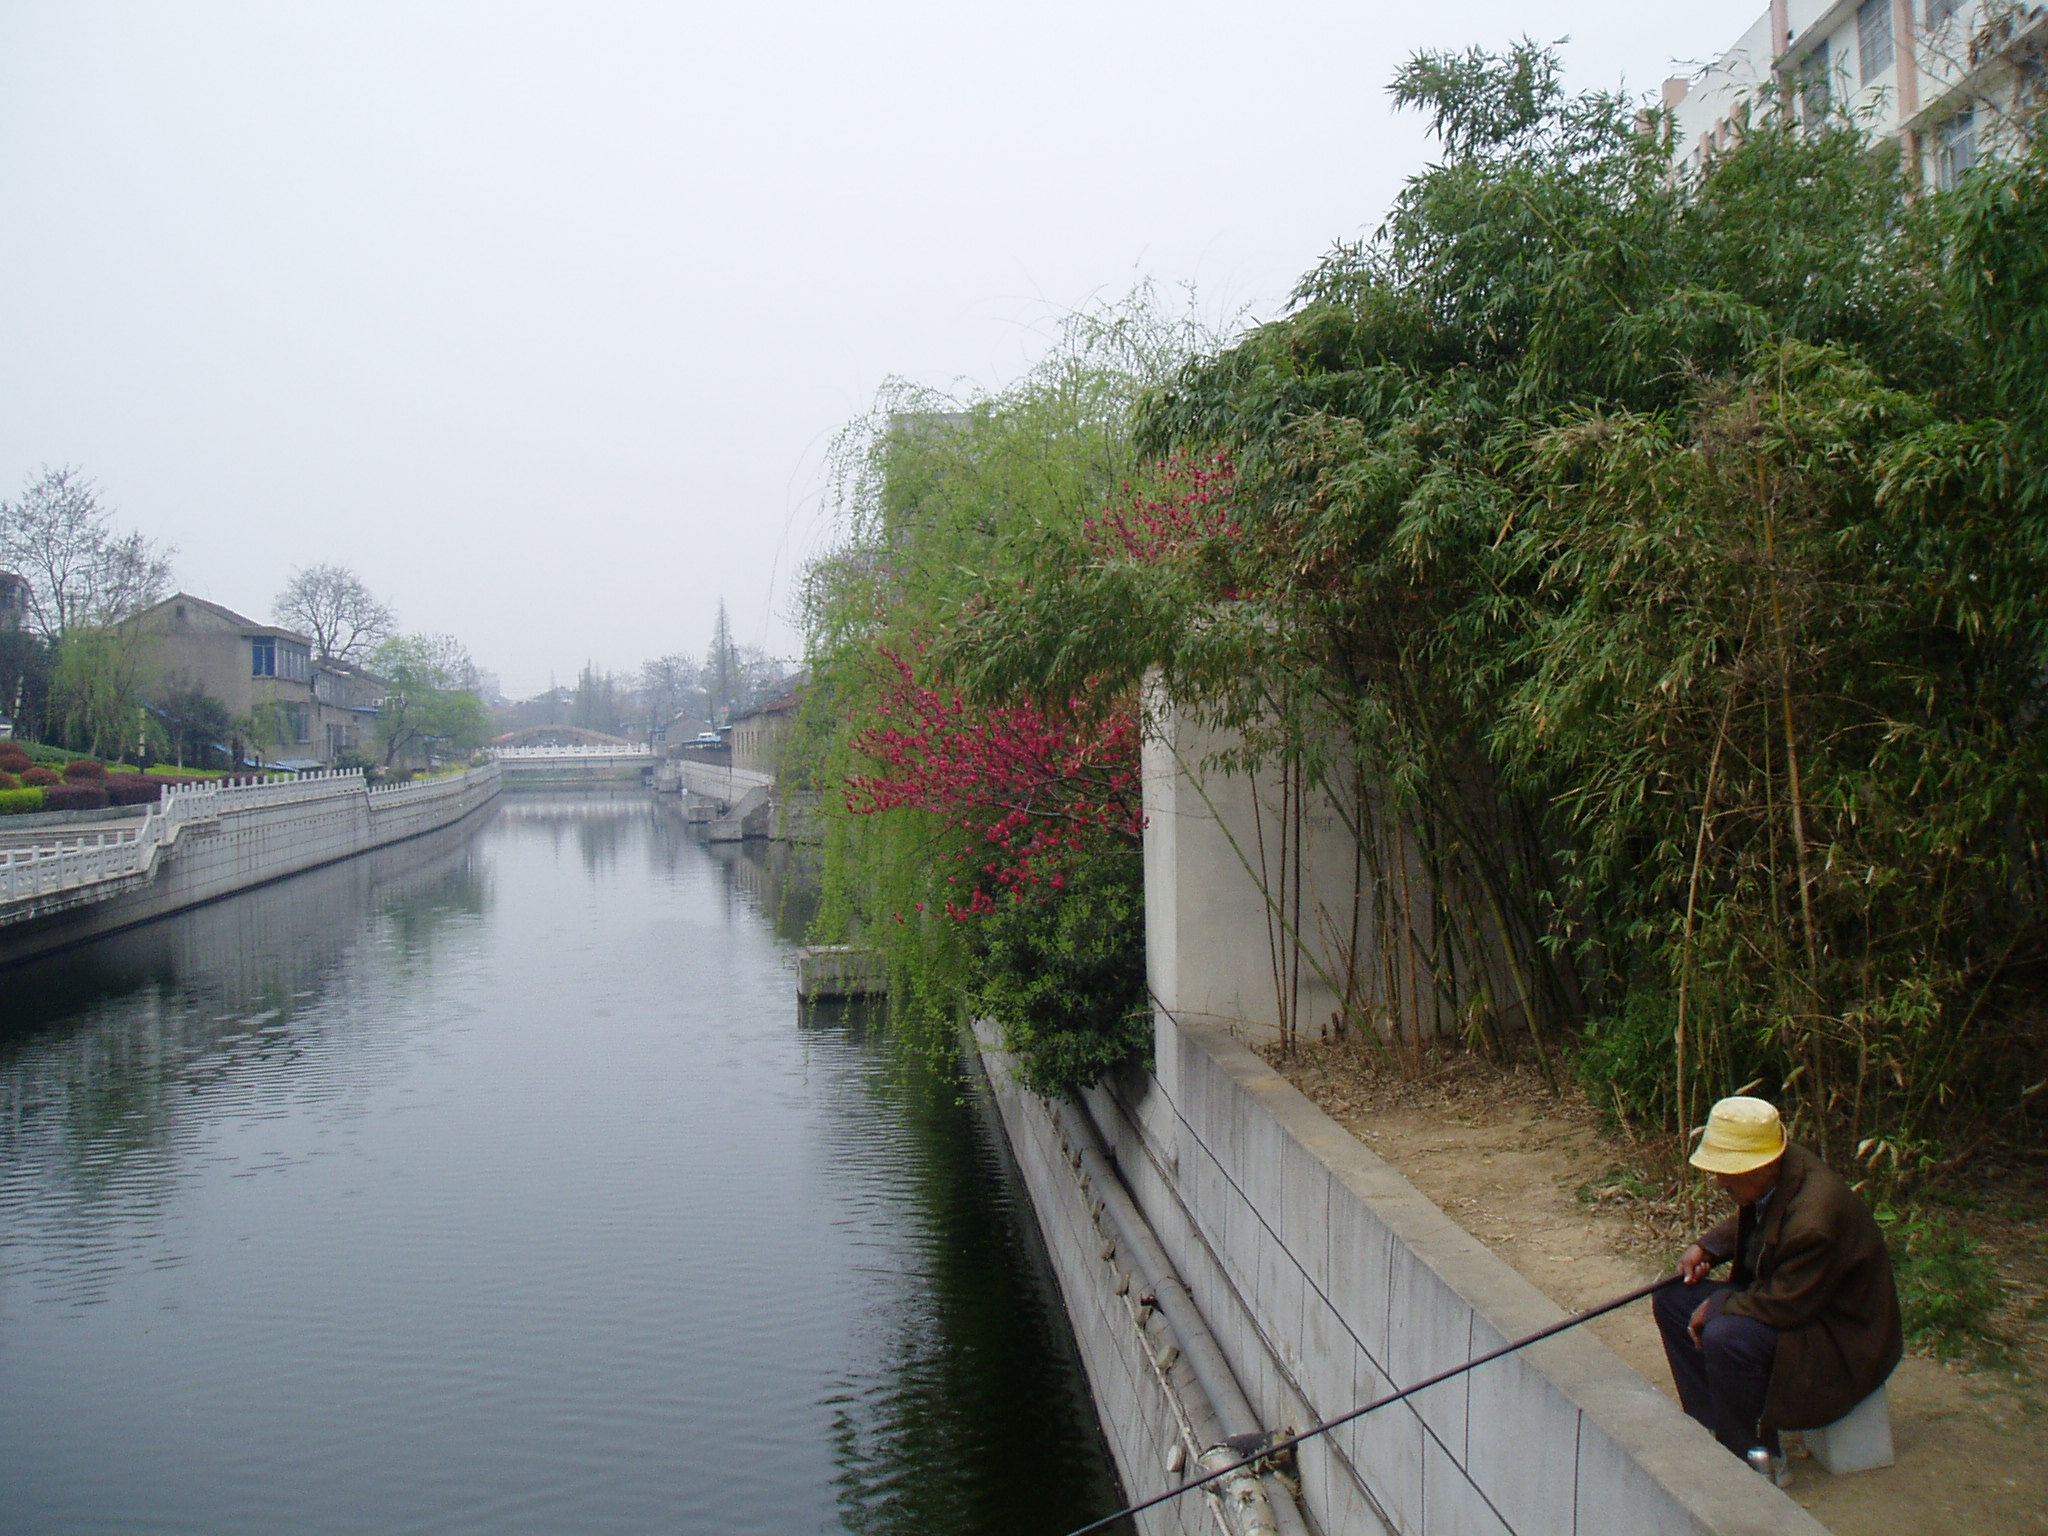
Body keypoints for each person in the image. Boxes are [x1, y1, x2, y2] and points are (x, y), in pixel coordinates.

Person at [1654, 1096, 1902, 1477]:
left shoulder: (1814, 1219)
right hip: (1800, 1301)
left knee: (1726, 1334)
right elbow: (1760, 1213)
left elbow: (1787, 1305)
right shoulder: (1783, 1168)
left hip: (1838, 1336)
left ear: (1764, 1165)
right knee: (1673, 1299)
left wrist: (1719, 1306)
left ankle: (1757, 1456)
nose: (1721, 1181)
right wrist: (1708, 1246)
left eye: (1728, 1172)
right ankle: (1714, 1422)